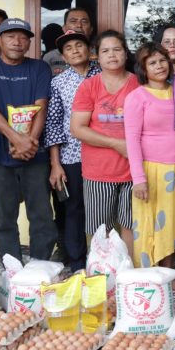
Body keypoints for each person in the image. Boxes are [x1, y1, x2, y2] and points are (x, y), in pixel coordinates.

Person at [0, 18, 57, 261]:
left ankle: (40, 268)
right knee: (5, 219)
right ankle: (12, 271)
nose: (17, 42)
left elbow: (42, 107)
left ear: (29, 42)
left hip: (35, 155)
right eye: (10, 36)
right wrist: (17, 140)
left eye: (23, 37)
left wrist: (30, 142)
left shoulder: (39, 67)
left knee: (41, 216)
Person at [70, 30, 139, 257]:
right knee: (101, 229)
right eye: (105, 51)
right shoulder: (89, 87)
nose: (112, 55)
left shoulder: (138, 84)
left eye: (117, 49)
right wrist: (115, 144)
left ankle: (128, 275)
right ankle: (104, 277)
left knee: (132, 225)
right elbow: (77, 128)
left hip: (133, 171)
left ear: (126, 53)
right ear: (96, 57)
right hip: (98, 171)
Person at [124, 43, 175, 268]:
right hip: (151, 170)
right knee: (150, 224)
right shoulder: (136, 97)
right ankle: (149, 277)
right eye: (152, 63)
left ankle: (168, 274)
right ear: (143, 69)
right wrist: (138, 179)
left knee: (170, 224)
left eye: (162, 60)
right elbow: (131, 139)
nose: (159, 66)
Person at [44, 30, 101, 271]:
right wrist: (55, 164)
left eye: (80, 45)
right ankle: (77, 263)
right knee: (74, 209)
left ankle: (101, 261)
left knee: (100, 209)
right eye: (69, 48)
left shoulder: (105, 75)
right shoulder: (58, 82)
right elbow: (53, 124)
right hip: (71, 155)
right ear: (64, 57)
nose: (75, 50)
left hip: (103, 153)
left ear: (90, 51)